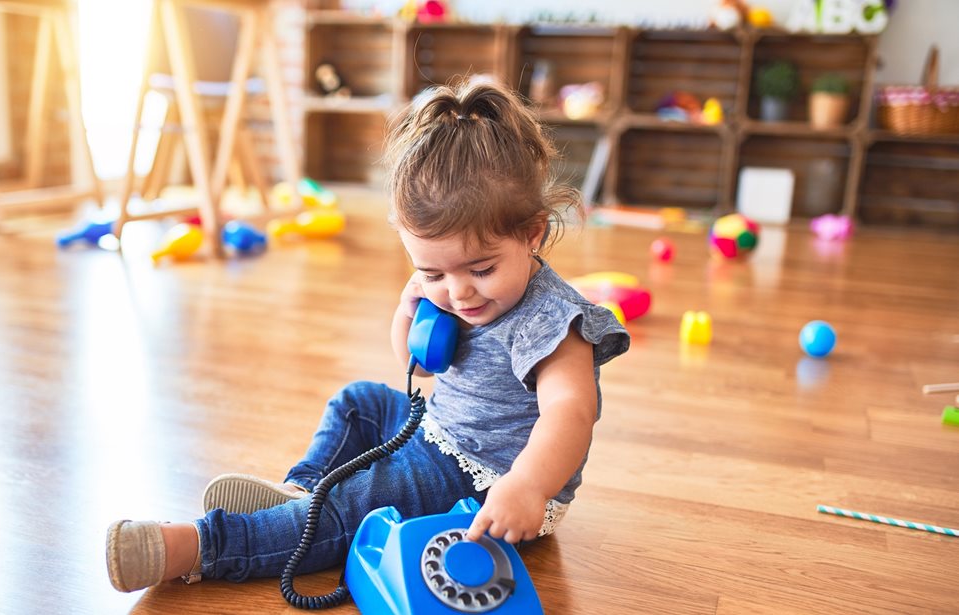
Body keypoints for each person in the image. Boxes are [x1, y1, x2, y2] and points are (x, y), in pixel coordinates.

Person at [105, 79, 630, 594]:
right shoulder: (449, 288)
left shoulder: (553, 321)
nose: (459, 292)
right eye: (433, 273)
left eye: (481, 268)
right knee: (359, 402)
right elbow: (419, 367)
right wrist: (410, 311)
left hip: (492, 481)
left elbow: (571, 413)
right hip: (441, 434)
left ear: (532, 233)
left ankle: (197, 547)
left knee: (355, 505)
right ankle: (302, 491)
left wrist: (528, 486)